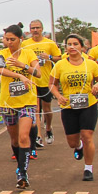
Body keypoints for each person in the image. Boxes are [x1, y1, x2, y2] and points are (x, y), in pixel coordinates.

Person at [49, 34, 98, 181]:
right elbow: (52, 84)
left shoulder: (90, 64)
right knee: (72, 142)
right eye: (69, 44)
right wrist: (58, 96)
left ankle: (88, 169)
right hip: (69, 106)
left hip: (88, 104)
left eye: (75, 44)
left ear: (82, 47)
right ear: (65, 48)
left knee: (87, 136)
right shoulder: (60, 65)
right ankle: (78, 146)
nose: (72, 47)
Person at [0, 23, 41, 189]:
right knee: (14, 139)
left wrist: (24, 67)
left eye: (12, 39)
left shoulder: (29, 53)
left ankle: (23, 172)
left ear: (20, 39)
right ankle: (19, 166)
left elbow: (38, 72)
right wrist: (18, 76)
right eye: (6, 39)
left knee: (23, 136)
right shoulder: (1, 54)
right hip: (8, 101)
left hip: (27, 101)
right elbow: (0, 70)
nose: (9, 42)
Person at [22, 20, 62, 148]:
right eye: (32, 28)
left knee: (47, 109)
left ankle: (49, 128)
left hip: (46, 80)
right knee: (36, 109)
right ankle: (38, 136)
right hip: (32, 81)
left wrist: (49, 57)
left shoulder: (49, 43)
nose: (35, 30)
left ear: (42, 29)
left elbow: (59, 58)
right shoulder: (25, 44)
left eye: (37, 28)